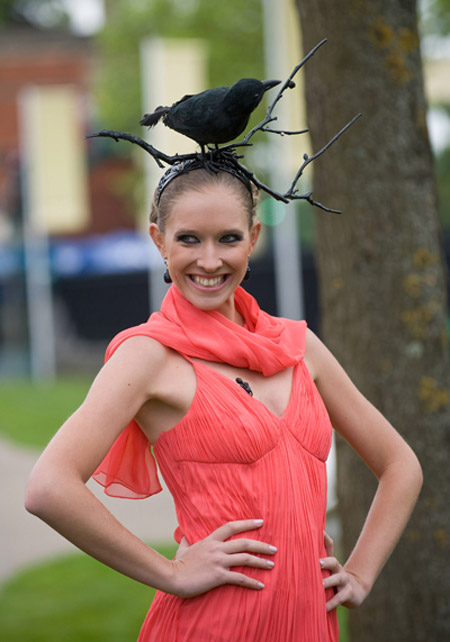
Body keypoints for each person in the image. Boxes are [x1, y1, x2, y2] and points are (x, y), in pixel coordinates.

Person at [25, 156, 422, 642]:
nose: (209, 260)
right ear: (158, 241)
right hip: (215, 623)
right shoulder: (148, 356)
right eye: (188, 238)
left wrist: (360, 573)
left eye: (228, 239)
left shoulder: (298, 347)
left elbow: (401, 464)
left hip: (309, 621)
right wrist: (170, 573)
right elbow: (48, 487)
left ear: (253, 239)